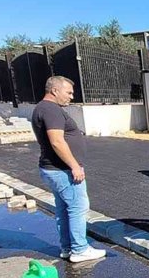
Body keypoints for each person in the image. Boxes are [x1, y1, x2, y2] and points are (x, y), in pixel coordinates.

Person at [31, 76, 106, 263]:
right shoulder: (51, 109)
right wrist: (74, 166)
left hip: (52, 169)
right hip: (62, 170)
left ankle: (67, 247)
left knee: (64, 209)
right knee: (78, 208)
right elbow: (57, 141)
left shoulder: (42, 108)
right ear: (55, 91)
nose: (71, 96)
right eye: (69, 92)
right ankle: (80, 249)